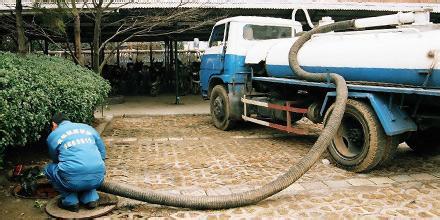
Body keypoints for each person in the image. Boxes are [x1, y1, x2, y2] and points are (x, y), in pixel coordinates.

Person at [44, 113, 106, 212]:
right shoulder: (87, 128)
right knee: (88, 169)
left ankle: (70, 200)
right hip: (98, 177)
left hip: (72, 179)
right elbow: (102, 153)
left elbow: (56, 160)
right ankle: (90, 197)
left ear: (54, 124)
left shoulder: (53, 135)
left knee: (48, 169)